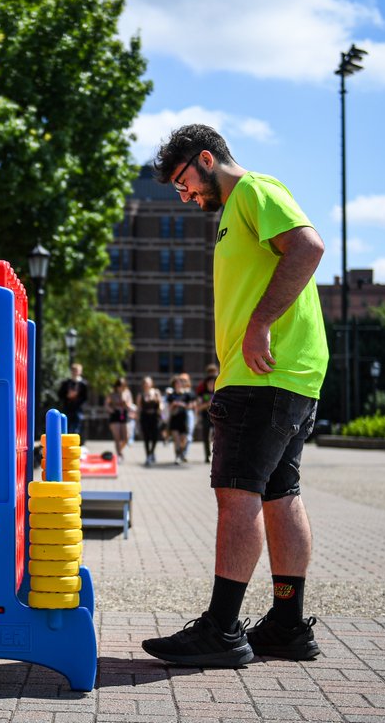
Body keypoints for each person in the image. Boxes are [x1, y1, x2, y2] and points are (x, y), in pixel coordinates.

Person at [141, 124, 328, 668]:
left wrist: (260, 323)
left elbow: (308, 247)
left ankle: (222, 629)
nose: (185, 195)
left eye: (184, 181)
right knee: (279, 495)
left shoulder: (252, 191)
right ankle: (287, 626)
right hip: (287, 376)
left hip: (263, 377)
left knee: (237, 495)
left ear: (206, 158)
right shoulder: (234, 212)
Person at [165, 373, 198, 463]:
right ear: (174, 385)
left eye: (180, 383)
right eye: (177, 383)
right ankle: (177, 456)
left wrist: (182, 404)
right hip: (175, 419)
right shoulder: (171, 396)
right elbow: (168, 408)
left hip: (184, 419)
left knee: (184, 440)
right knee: (176, 440)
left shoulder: (186, 395)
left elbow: (191, 406)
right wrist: (173, 404)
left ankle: (182, 453)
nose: (178, 385)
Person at [136, 376, 164, 466]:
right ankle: (148, 455)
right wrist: (137, 419)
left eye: (148, 383)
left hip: (155, 417)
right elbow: (139, 408)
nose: (146, 384)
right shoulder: (141, 395)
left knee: (155, 437)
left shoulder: (156, 392)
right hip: (145, 417)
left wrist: (161, 408)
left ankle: (152, 452)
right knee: (146, 437)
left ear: (151, 383)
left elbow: (161, 403)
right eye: (145, 383)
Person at [57, 363, 90, 442]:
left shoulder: (83, 384)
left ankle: (74, 443)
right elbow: (60, 395)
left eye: (77, 371)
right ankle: (65, 444)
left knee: (76, 427)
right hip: (67, 407)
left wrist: (77, 399)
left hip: (78, 409)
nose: (75, 372)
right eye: (74, 370)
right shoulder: (66, 383)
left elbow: (85, 397)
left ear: (80, 372)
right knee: (66, 426)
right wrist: (67, 396)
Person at [105, 377, 135, 461]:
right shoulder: (112, 393)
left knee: (126, 438)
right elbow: (106, 404)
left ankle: (119, 450)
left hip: (124, 415)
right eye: (119, 386)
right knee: (117, 437)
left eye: (122, 386)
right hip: (115, 415)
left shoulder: (127, 393)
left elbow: (130, 405)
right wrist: (111, 410)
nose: (120, 388)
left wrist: (125, 403)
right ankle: (119, 454)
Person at [195, 364, 219, 464]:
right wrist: (207, 404)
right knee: (206, 436)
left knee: (217, 436)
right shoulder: (202, 390)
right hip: (206, 416)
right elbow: (198, 406)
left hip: (218, 417)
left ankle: (216, 456)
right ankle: (207, 455)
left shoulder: (219, 390)